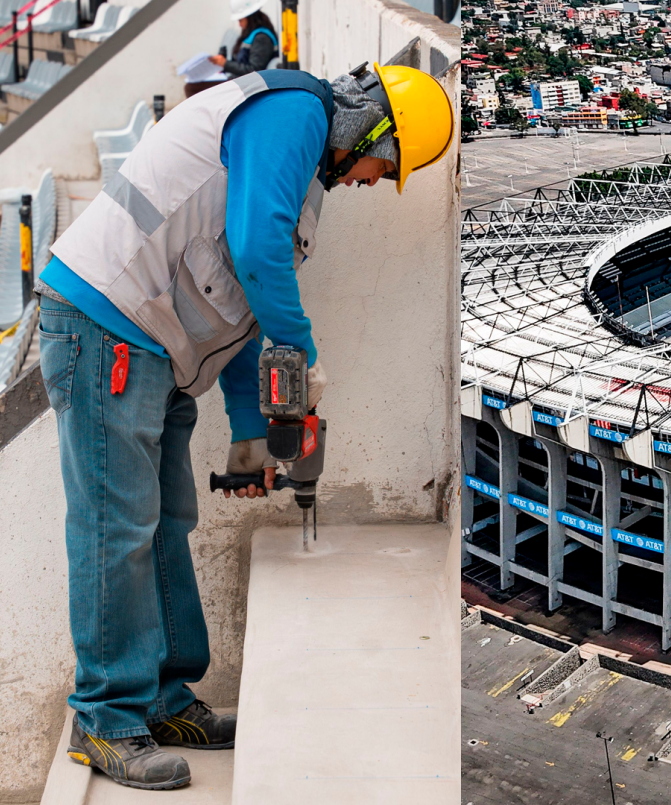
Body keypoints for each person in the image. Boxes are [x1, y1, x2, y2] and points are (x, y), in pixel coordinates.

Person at [35, 63, 453, 790]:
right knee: (115, 528)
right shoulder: (294, 115)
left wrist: (247, 428)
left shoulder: (301, 160)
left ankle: (163, 699)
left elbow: (238, 297)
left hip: (151, 339)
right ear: (373, 129)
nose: (368, 184)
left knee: (165, 521)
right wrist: (306, 359)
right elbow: (258, 253)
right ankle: (105, 719)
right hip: (107, 324)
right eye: (382, 170)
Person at [183, 0, 278, 97]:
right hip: (240, 81)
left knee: (191, 88)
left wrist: (225, 63)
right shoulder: (253, 35)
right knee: (191, 86)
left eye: (240, 20)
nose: (239, 24)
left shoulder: (261, 38)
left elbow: (254, 69)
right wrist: (222, 65)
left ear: (250, 17)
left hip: (246, 86)